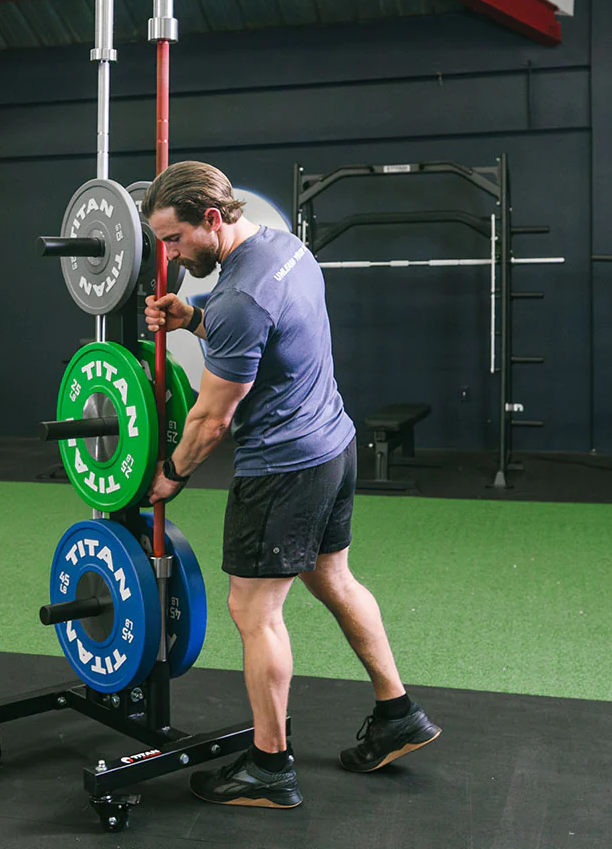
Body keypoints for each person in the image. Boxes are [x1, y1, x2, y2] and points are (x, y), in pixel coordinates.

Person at [141, 161, 440, 810]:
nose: (170, 254)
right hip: (333, 442)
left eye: (173, 239)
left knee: (254, 611)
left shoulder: (239, 301)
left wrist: (172, 475)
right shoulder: (286, 248)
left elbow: (213, 418)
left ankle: (270, 767)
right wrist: (194, 318)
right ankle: (399, 713)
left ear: (211, 219)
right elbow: (268, 336)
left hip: (283, 468)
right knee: (335, 578)